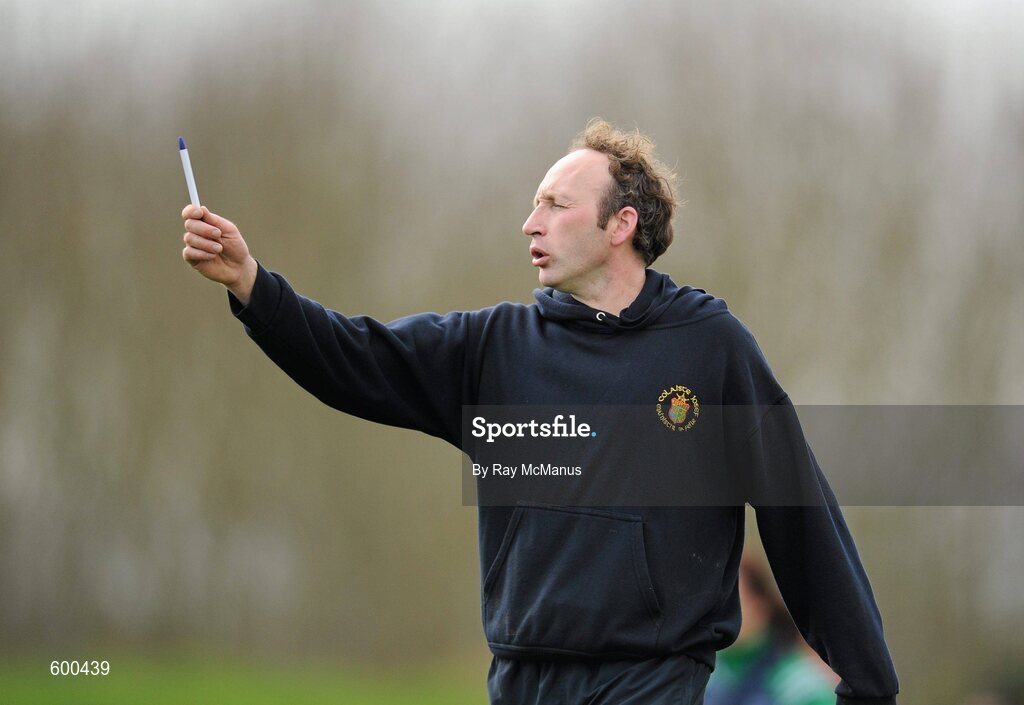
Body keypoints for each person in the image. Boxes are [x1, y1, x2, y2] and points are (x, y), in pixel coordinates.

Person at [180, 119, 899, 704]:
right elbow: (352, 357)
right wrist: (251, 282)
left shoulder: (711, 349)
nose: (531, 222)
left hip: (652, 682)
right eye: (534, 204)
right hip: (521, 682)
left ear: (621, 224)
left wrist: (867, 684)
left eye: (555, 205)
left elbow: (799, 513)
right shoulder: (491, 348)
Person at [704, 556, 839, 705]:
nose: (717, 613)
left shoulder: (801, 684)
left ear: (761, 607)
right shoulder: (708, 676)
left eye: (730, 602)